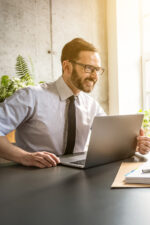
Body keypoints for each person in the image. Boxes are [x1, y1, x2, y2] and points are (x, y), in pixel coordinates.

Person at [0, 38, 150, 168]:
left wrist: (133, 145)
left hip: (76, 176)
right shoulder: (31, 96)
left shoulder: (91, 105)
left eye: (97, 70)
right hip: (33, 178)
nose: (94, 76)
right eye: (89, 68)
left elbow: (110, 141)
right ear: (67, 66)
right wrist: (25, 157)